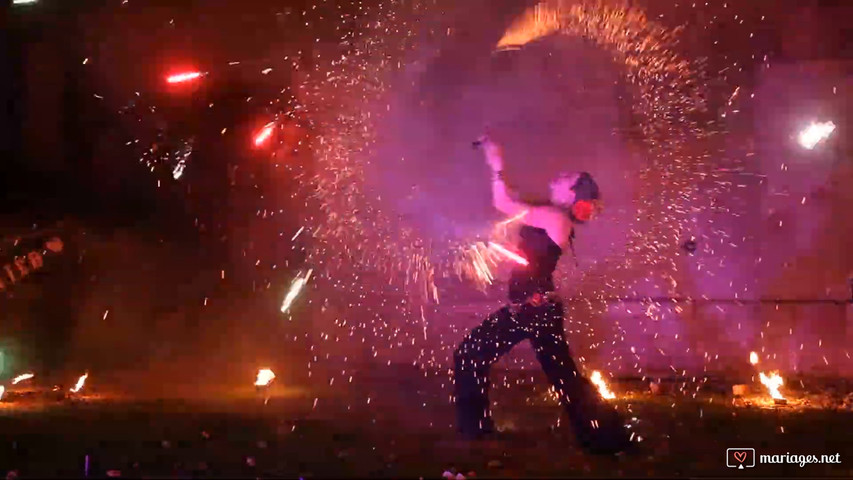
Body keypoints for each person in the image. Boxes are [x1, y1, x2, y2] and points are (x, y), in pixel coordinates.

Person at [453, 135, 632, 454]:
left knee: (469, 354)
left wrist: (495, 160)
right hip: (539, 308)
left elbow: (504, 204)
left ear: (573, 193)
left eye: (567, 178)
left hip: (532, 309)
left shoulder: (556, 218)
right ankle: (605, 437)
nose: (557, 176)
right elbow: (509, 201)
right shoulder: (550, 214)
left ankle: (476, 433)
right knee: (564, 376)